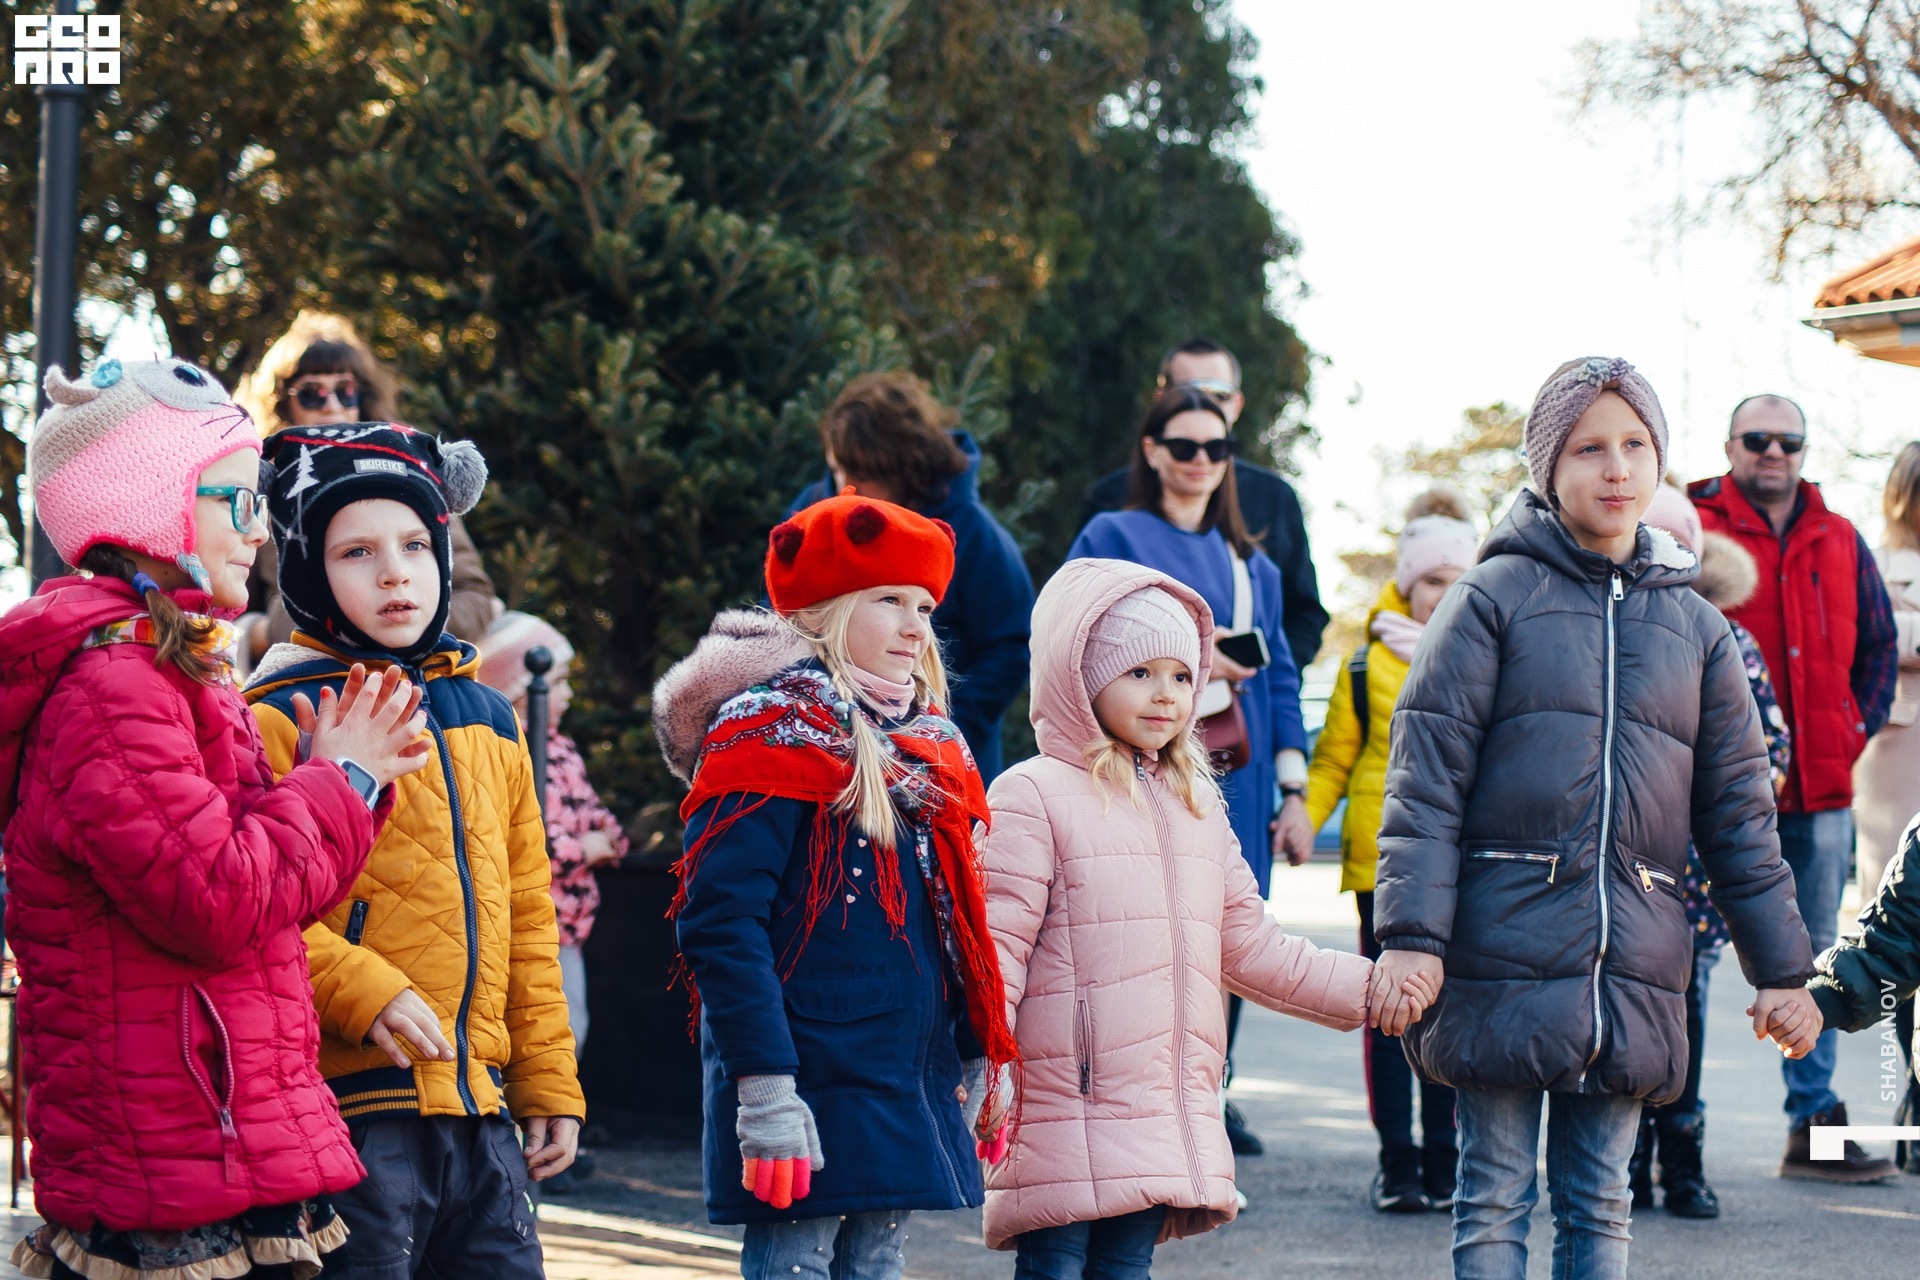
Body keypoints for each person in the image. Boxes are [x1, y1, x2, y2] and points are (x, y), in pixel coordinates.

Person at [1372, 357, 1820, 1280]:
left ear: (1660, 461)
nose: (1617, 468)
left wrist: (1783, 972)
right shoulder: (1490, 599)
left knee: (1601, 1202)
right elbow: (1426, 786)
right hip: (1498, 951)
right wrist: (1412, 938)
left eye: (1636, 445)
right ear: (1547, 465)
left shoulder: (1697, 631)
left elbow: (1741, 819)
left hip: (1633, 966)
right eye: (1589, 448)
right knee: (1494, 1194)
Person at [0, 358, 431, 1277]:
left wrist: (333, 783)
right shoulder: (113, 688)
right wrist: (342, 779)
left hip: (219, 1137)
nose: (260, 529)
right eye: (237, 502)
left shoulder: (175, 674)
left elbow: (273, 899)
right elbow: (214, 900)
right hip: (174, 1156)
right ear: (152, 507)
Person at [978, 557, 1427, 1277]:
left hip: (1162, 1107)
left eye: (1183, 676)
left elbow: (1250, 946)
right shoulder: (1031, 795)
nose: (1167, 695)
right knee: (1054, 1266)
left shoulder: (1195, 804)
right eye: (1140, 673)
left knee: (1126, 1268)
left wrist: (1373, 989)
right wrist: (983, 1068)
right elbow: (995, 952)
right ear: (1078, 674)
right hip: (1065, 1100)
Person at [245, 423, 584, 1279]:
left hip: (481, 1109)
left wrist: (547, 1079)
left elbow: (527, 912)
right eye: (356, 551)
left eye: (415, 545)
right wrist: (360, 989)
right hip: (350, 1107)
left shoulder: (489, 717)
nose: (395, 572)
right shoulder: (277, 717)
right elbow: (253, 910)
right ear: (307, 573)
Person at [656, 492, 1019, 1280]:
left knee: (878, 1259)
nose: (916, 627)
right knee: (796, 1260)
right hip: (802, 1069)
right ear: (826, 609)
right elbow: (721, 923)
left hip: (901, 1065)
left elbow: (956, 920)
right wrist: (766, 1090)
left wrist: (973, 1051)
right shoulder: (766, 731)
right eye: (889, 600)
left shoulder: (930, 740)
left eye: (925, 606)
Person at [1069, 384, 1311, 1157]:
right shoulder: (1111, 535)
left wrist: (1296, 790)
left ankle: (1206, 1099)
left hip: (1235, 771)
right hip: (1133, 767)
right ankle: (1125, 1103)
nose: (1200, 460)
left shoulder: (1253, 564)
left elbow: (1281, 677)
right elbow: (1073, 642)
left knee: (1224, 939)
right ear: (1151, 451)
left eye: (1216, 447)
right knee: (1131, 934)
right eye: (1183, 445)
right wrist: (1199, 664)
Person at [1688, 393, 1901, 1183]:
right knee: (1683, 962)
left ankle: (1814, 1132)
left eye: (1789, 440)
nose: (1774, 451)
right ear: (1731, 445)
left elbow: (1878, 648)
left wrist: (1850, 729)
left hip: (1818, 796)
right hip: (1710, 803)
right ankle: (1672, 1136)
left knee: (1815, 964)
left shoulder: (1840, 537)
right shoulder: (1690, 525)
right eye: (1757, 438)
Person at [1305, 488, 1477, 1214]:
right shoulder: (1363, 666)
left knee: (1449, 1016)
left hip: (1465, 864)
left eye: (1455, 580)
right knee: (1388, 1013)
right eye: (1430, 580)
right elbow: (1334, 760)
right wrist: (1301, 819)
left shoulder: (1486, 654)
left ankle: (1444, 1159)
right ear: (1407, 585)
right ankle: (1397, 1162)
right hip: (1380, 863)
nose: (1441, 594)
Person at [1631, 485, 1794, 1218]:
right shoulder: (1603, 632)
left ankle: (1682, 1157)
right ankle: (1624, 1160)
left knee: (1685, 1008)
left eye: (1678, 545)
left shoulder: (1727, 639)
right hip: (1619, 865)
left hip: (1693, 875)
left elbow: (1769, 746)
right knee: (1623, 1012)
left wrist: (1724, 796)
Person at [787, 370, 1035, 781]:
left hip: (934, 767)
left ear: (903, 469)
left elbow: (1012, 644)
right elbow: (781, 611)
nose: (846, 485)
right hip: (821, 749)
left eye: (862, 473)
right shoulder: (814, 510)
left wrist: (940, 725)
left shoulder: (971, 532)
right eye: (837, 469)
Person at [235, 311, 498, 664]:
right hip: (310, 670)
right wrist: (266, 633)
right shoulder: (262, 490)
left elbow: (475, 594)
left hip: (422, 669)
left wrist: (405, 630)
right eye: (312, 394)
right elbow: (232, 603)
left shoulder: (413, 478)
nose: (332, 405)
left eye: (345, 391)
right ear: (283, 402)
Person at [1078, 338, 1328, 666]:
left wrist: (1258, 676)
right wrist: (1195, 665)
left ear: (1236, 404)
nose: (1202, 402)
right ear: (1161, 401)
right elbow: (1078, 629)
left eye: (1218, 393)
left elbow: (1302, 614)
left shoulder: (1274, 500)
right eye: (1187, 390)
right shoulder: (1110, 507)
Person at [1849, 441, 1920, 1171]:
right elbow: (1869, 642)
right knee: (1899, 927)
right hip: (1897, 754)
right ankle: (1912, 1089)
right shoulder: (1875, 563)